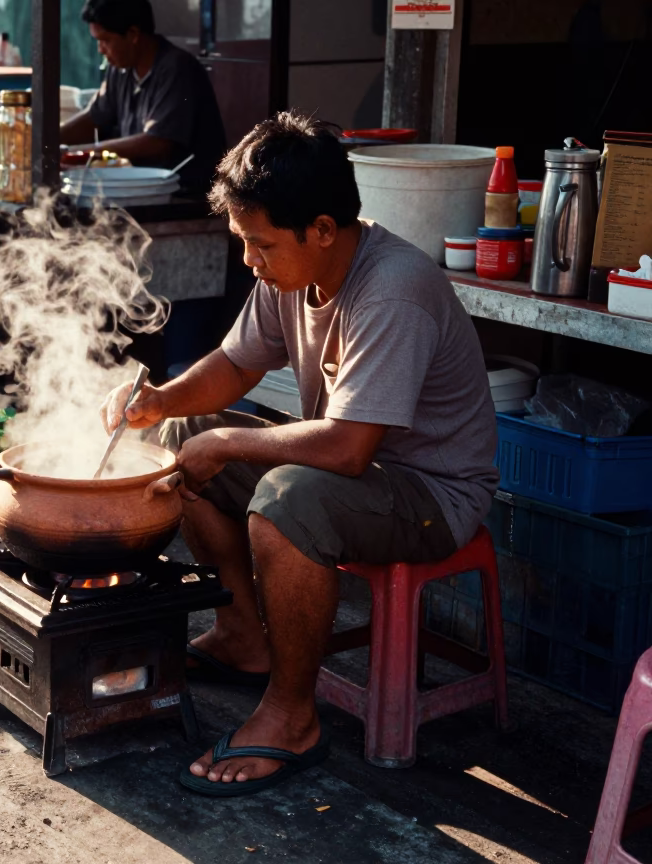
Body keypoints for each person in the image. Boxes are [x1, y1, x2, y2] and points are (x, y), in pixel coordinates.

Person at [100, 112, 499, 796]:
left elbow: (345, 449)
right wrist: (162, 401)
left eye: (261, 246)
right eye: (244, 243)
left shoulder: (393, 289)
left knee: (286, 500)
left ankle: (291, 716)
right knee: (181, 443)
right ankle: (241, 637)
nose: (250, 261)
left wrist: (227, 441)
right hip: (364, 472)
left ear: (321, 229)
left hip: (432, 493)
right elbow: (234, 362)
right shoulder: (292, 272)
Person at [61, 0, 227, 191]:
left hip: (186, 196)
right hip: (143, 187)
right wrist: (48, 141)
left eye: (105, 40)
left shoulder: (177, 68)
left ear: (133, 34)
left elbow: (157, 142)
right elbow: (95, 116)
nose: (100, 50)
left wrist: (77, 152)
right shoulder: (120, 69)